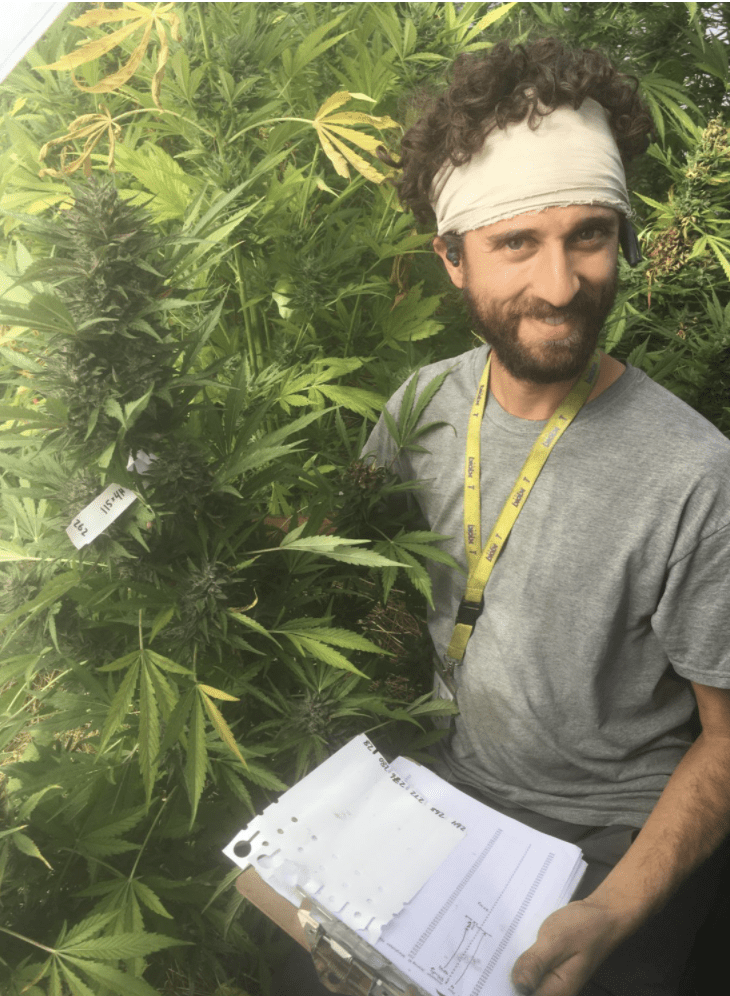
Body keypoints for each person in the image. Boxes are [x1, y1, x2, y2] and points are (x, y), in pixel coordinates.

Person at [360, 37, 730, 996]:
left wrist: (614, 908)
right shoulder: (414, 413)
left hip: (614, 834)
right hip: (445, 789)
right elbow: (366, 607)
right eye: (517, 242)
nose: (562, 286)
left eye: (588, 235)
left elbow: (728, 735)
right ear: (452, 257)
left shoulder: (695, 474)